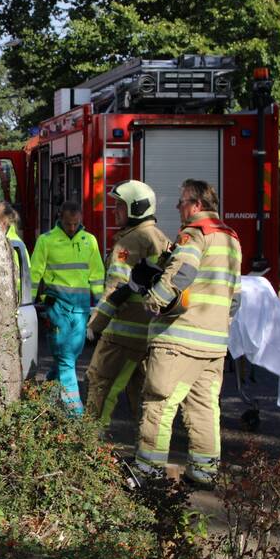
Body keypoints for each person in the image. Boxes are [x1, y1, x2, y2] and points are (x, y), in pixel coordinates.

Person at [133, 179, 242, 486]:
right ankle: (205, 471)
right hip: (214, 343)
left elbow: (182, 273)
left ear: (196, 205)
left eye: (181, 202)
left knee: (159, 403)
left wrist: (153, 300)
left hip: (180, 339)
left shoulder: (195, 233)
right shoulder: (232, 239)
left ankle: (147, 470)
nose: (178, 207)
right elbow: (236, 295)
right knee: (205, 407)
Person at [84, 180, 169, 429]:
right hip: (148, 332)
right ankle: (147, 453)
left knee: (100, 385)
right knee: (141, 397)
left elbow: (116, 288)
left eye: (120, 206)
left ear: (137, 207)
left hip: (122, 333)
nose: (114, 211)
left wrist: (96, 324)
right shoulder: (160, 238)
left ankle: (88, 450)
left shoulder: (130, 241)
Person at [30, 201, 105, 415]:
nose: (72, 227)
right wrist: (25, 301)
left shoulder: (89, 240)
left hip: (80, 311)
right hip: (57, 310)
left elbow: (97, 274)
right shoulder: (47, 241)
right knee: (66, 360)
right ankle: (76, 415)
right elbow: (35, 273)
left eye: (76, 223)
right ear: (60, 218)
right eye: (68, 223)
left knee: (69, 357)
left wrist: (100, 306)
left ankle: (45, 399)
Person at [0, 200, 26, 299]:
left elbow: (24, 278)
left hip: (12, 300)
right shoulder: (16, 243)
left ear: (3, 223)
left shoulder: (16, 245)